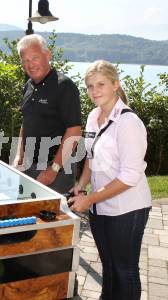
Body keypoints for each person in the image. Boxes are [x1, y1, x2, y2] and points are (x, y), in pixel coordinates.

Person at [68, 60, 152, 300]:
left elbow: (129, 177)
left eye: (101, 84)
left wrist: (90, 198)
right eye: (89, 86)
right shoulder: (94, 117)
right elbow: (91, 158)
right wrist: (81, 185)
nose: (94, 91)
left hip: (128, 208)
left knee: (125, 271)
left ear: (116, 85)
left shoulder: (128, 123)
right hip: (100, 205)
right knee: (110, 267)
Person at [12, 34, 82, 193]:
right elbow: (26, 122)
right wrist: (19, 156)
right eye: (25, 61)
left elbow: (74, 132)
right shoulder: (28, 86)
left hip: (57, 171)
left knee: (53, 217)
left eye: (34, 58)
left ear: (48, 55)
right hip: (29, 168)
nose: (30, 65)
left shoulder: (64, 86)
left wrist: (53, 169)